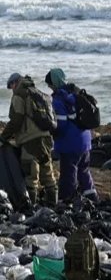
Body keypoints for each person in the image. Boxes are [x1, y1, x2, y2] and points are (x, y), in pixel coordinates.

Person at [1, 73, 57, 207]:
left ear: (16, 82)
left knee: (31, 175)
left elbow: (16, 120)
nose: (11, 89)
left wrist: (3, 137)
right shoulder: (38, 92)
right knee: (48, 172)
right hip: (46, 138)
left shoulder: (20, 94)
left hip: (30, 141)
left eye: (11, 86)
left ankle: (30, 207)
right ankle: (53, 204)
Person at [44, 68, 96, 202]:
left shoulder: (58, 100)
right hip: (85, 140)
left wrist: (51, 134)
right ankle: (93, 198)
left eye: (49, 84)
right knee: (84, 171)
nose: (49, 87)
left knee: (68, 175)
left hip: (70, 144)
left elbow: (61, 125)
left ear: (54, 84)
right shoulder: (75, 94)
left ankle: (65, 202)